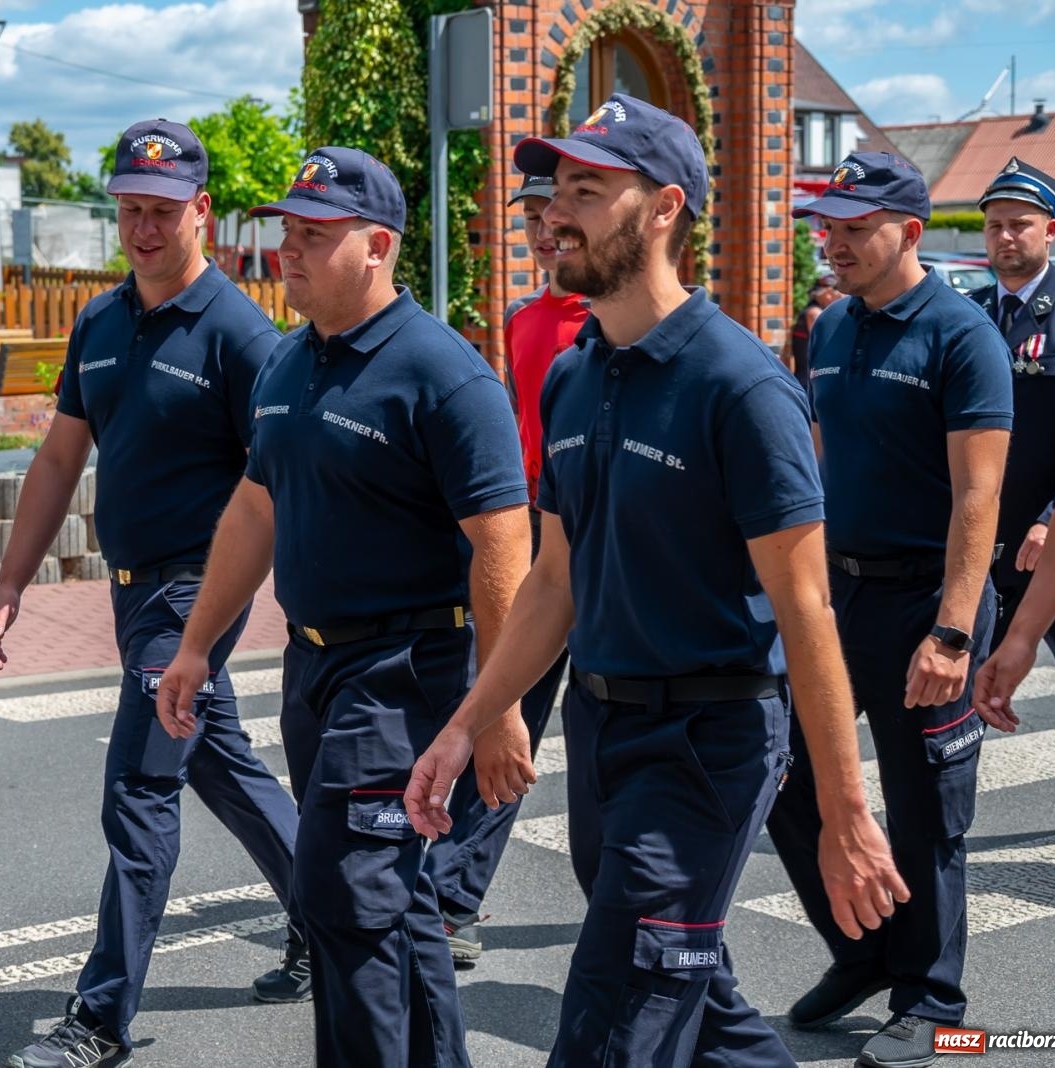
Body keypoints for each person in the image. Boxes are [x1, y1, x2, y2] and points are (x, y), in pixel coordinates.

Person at [405, 95, 905, 1068]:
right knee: (694, 1006)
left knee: (612, 1016)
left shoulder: (741, 387)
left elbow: (805, 613)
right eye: (556, 192)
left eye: (587, 190)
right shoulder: (574, 375)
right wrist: (470, 723)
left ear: (664, 207)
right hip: (604, 739)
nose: (555, 214)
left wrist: (845, 817)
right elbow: (554, 582)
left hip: (705, 745)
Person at [154, 145, 534, 1067]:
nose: (289, 249)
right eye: (287, 231)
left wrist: (497, 709)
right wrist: (197, 645)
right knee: (393, 906)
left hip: (404, 675)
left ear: (379, 248)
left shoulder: (443, 374)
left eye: (315, 236)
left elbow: (501, 542)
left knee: (345, 896)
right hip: (314, 669)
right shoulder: (289, 365)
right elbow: (256, 508)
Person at [0, 119, 304, 1068]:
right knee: (214, 758)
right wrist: (11, 580)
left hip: (194, 594)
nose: (143, 229)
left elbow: (278, 474)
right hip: (131, 592)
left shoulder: (241, 334)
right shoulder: (102, 322)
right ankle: (330, 917)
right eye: (128, 211)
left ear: (202, 211)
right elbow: (61, 455)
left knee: (139, 787)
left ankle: (99, 1018)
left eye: (161, 211)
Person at [769, 152, 1012, 1066]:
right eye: (825, 225)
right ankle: (864, 954)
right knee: (781, 774)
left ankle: (934, 1000)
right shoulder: (829, 330)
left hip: (927, 600)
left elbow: (977, 498)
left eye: (850, 226)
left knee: (924, 807)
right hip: (842, 595)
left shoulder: (961, 335)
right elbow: (821, 476)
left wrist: (953, 631)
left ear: (909, 231)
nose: (830, 242)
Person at [424, 172, 589, 964]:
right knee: (501, 705)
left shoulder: (610, 321)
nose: (539, 229)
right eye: (526, 216)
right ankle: (455, 897)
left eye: (549, 213)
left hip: (602, 532)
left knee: (614, 729)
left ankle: (648, 896)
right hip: (529, 527)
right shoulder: (523, 318)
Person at [975, 127, 1055, 842]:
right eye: (994, 225)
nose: (1003, 237)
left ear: (1050, 230)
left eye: (1018, 223)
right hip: (985, 541)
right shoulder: (969, 316)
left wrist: (1053, 518)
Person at [783, 272, 840, 390]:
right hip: (809, 383)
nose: (841, 295)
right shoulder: (815, 314)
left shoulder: (810, 310)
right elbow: (827, 347)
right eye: (837, 291)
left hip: (805, 379)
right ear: (827, 293)